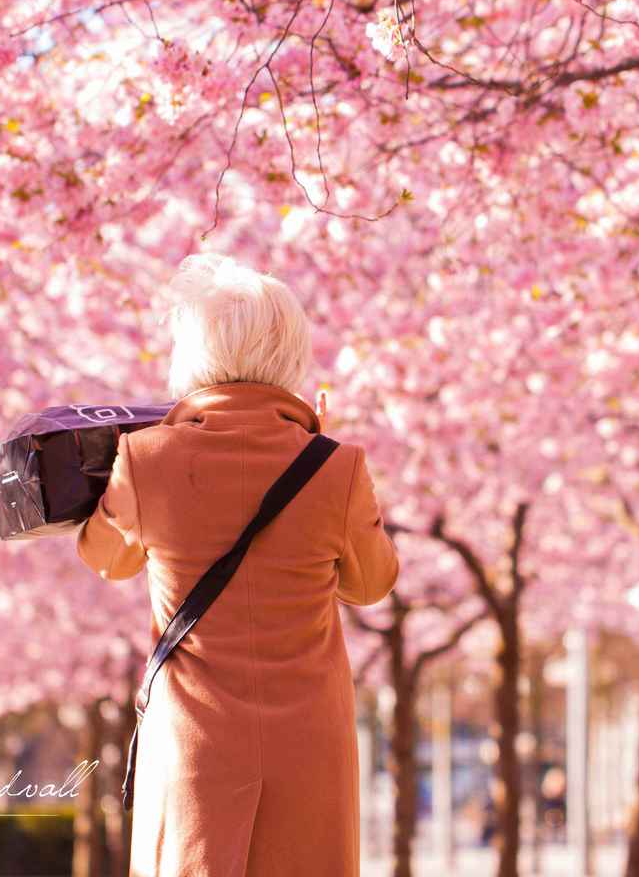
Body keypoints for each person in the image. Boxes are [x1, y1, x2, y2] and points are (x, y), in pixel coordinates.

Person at [78, 254, 399, 877]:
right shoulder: (337, 466)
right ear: (291, 356)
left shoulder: (146, 459)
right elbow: (372, 582)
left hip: (195, 744)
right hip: (309, 750)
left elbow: (105, 558)